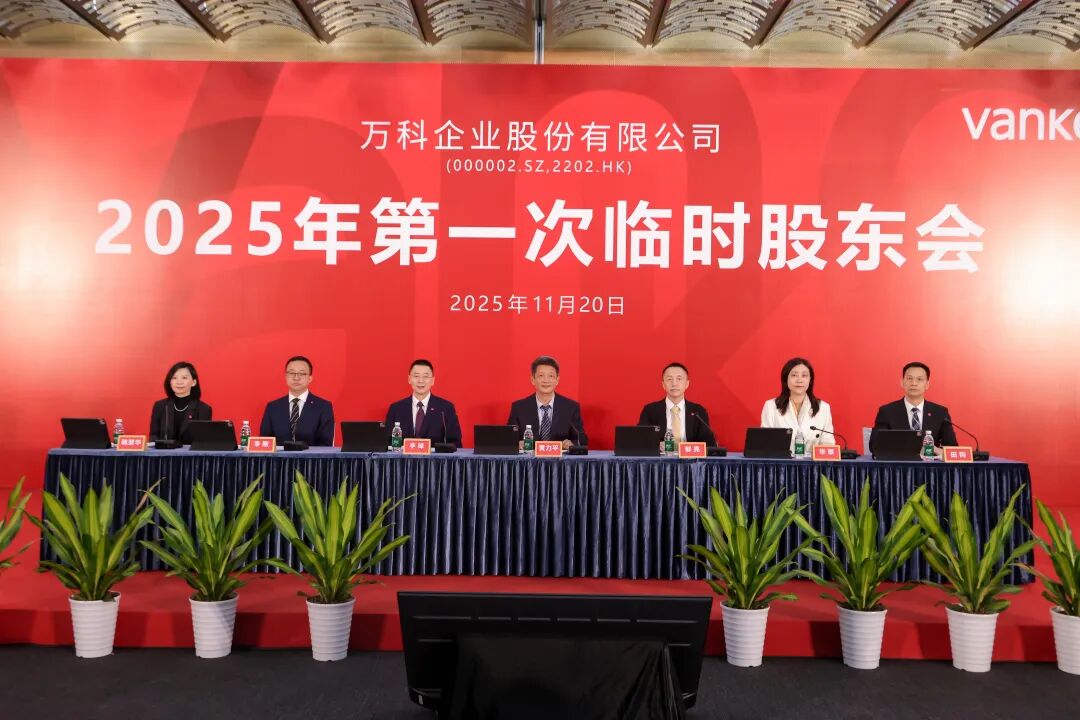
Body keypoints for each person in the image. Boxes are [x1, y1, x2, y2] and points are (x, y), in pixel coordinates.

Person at [506, 355, 587, 449]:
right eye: (541, 375)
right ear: (532, 380)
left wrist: (572, 443)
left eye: (551, 376)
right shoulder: (519, 408)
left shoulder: (570, 408)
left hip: (560, 458)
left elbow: (582, 440)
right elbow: (508, 439)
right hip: (529, 457)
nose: (546, 380)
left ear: (557, 380)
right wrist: (517, 444)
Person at [873, 361, 956, 447]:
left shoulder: (940, 412)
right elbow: (875, 445)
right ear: (902, 382)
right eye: (909, 378)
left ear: (927, 384)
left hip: (930, 456)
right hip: (899, 456)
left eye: (919, 379)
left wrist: (932, 449)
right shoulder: (887, 411)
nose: (914, 383)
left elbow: (952, 447)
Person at [760, 357, 833, 453]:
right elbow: (765, 443)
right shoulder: (771, 406)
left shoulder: (823, 408)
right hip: (781, 462)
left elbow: (828, 444)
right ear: (785, 379)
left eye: (804, 375)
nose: (799, 380)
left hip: (812, 462)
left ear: (810, 380)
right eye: (794, 375)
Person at [384, 359, 463, 448]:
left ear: (432, 380)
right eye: (416, 376)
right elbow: (387, 442)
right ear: (409, 379)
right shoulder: (396, 409)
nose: (421, 381)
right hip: (403, 457)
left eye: (425, 376)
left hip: (435, 457)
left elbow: (456, 443)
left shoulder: (445, 409)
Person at [259, 356, 335, 446]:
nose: (296, 378)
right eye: (291, 373)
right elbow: (265, 442)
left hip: (311, 455)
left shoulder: (323, 407)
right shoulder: (273, 407)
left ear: (310, 378)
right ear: (286, 377)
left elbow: (326, 444)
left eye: (301, 374)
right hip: (280, 455)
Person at [638, 362, 716, 446]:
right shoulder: (650, 410)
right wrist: (658, 445)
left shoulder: (698, 411)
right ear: (663, 384)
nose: (674, 383)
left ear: (687, 384)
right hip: (660, 454)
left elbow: (708, 443)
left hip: (689, 454)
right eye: (669, 379)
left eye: (679, 379)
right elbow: (641, 440)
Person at [149, 361, 212, 444]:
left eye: (184, 378)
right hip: (164, 451)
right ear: (170, 382)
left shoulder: (203, 409)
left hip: (190, 452)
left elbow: (203, 441)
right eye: (174, 378)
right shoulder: (160, 406)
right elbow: (154, 436)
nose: (179, 382)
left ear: (193, 382)